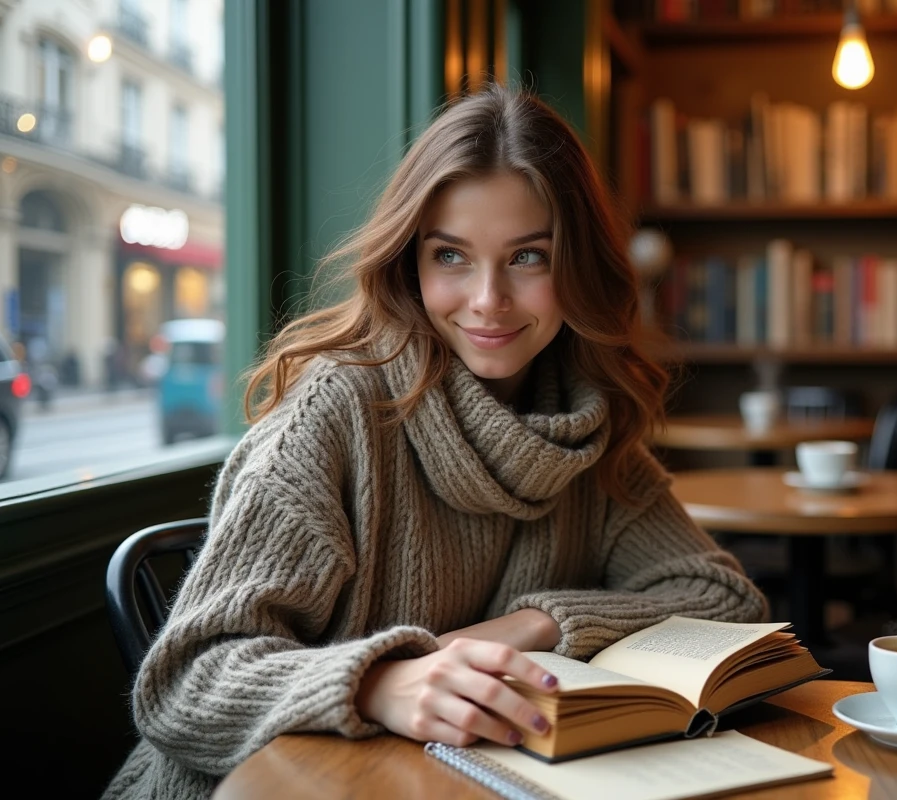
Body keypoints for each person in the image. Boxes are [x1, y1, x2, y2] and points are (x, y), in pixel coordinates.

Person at [103, 84, 767, 799]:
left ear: (578, 267)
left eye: (528, 258)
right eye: (451, 256)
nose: (487, 300)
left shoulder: (582, 426)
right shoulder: (337, 413)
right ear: (409, 261)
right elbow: (184, 683)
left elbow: (725, 598)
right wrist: (378, 686)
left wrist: (535, 623)